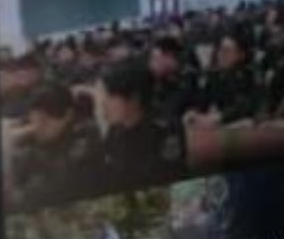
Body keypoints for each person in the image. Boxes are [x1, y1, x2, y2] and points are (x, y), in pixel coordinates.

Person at [93, 62, 185, 190]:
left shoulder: (164, 131)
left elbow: (165, 178)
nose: (103, 104)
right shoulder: (116, 128)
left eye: (110, 97)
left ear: (134, 98)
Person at [11, 82, 97, 209]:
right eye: (34, 119)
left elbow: (59, 180)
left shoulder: (85, 138)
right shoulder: (31, 132)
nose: (39, 127)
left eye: (45, 121)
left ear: (68, 115)